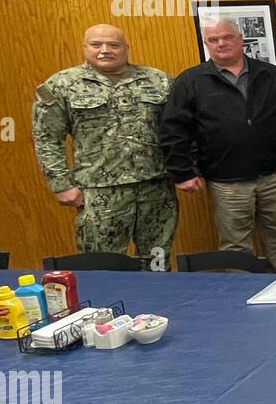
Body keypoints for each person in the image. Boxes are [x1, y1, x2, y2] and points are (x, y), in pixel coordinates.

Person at [32, 24, 176, 266]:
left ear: (126, 48)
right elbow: (47, 138)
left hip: (156, 187)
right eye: (96, 45)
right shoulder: (62, 84)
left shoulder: (158, 80)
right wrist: (60, 184)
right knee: (102, 265)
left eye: (113, 44)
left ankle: (159, 301)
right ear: (85, 48)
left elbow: (178, 130)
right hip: (99, 191)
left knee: (157, 261)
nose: (104, 50)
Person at [161, 18, 276, 271]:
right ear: (207, 44)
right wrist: (182, 172)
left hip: (273, 176)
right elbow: (173, 129)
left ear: (240, 39)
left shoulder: (271, 75)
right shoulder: (192, 81)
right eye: (213, 39)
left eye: (227, 37)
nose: (221, 43)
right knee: (235, 245)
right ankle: (241, 294)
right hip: (226, 182)